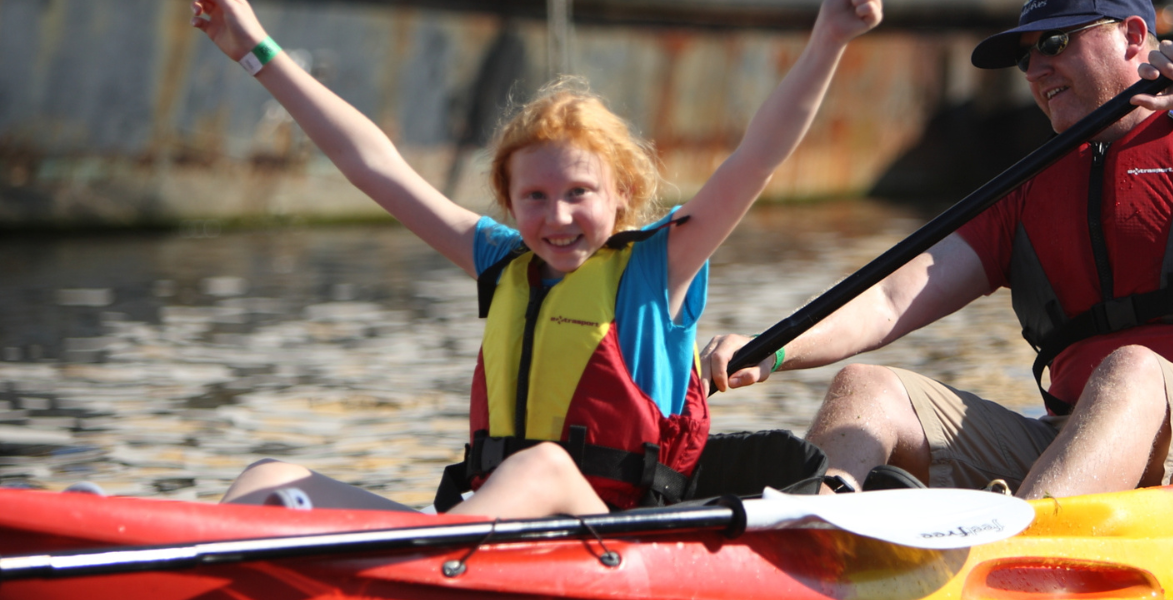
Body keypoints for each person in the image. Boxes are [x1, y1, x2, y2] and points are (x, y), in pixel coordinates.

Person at [191, 0, 883, 517]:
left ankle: (433, 567)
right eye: (536, 196)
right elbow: (372, 165)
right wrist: (253, 47)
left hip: (615, 538)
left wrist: (830, 38)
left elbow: (757, 156)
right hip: (486, 530)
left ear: (623, 196)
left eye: (579, 193)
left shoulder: (658, 265)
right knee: (267, 479)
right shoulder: (499, 262)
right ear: (509, 202)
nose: (556, 216)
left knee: (545, 466)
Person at [705, 0, 1173, 500]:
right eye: (1026, 54)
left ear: (1135, 37)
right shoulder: (1029, 188)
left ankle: (1015, 554)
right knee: (868, 390)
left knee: (1131, 371)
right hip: (1076, 441)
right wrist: (771, 350)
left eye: (1057, 43)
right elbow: (895, 295)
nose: (1036, 67)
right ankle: (812, 539)